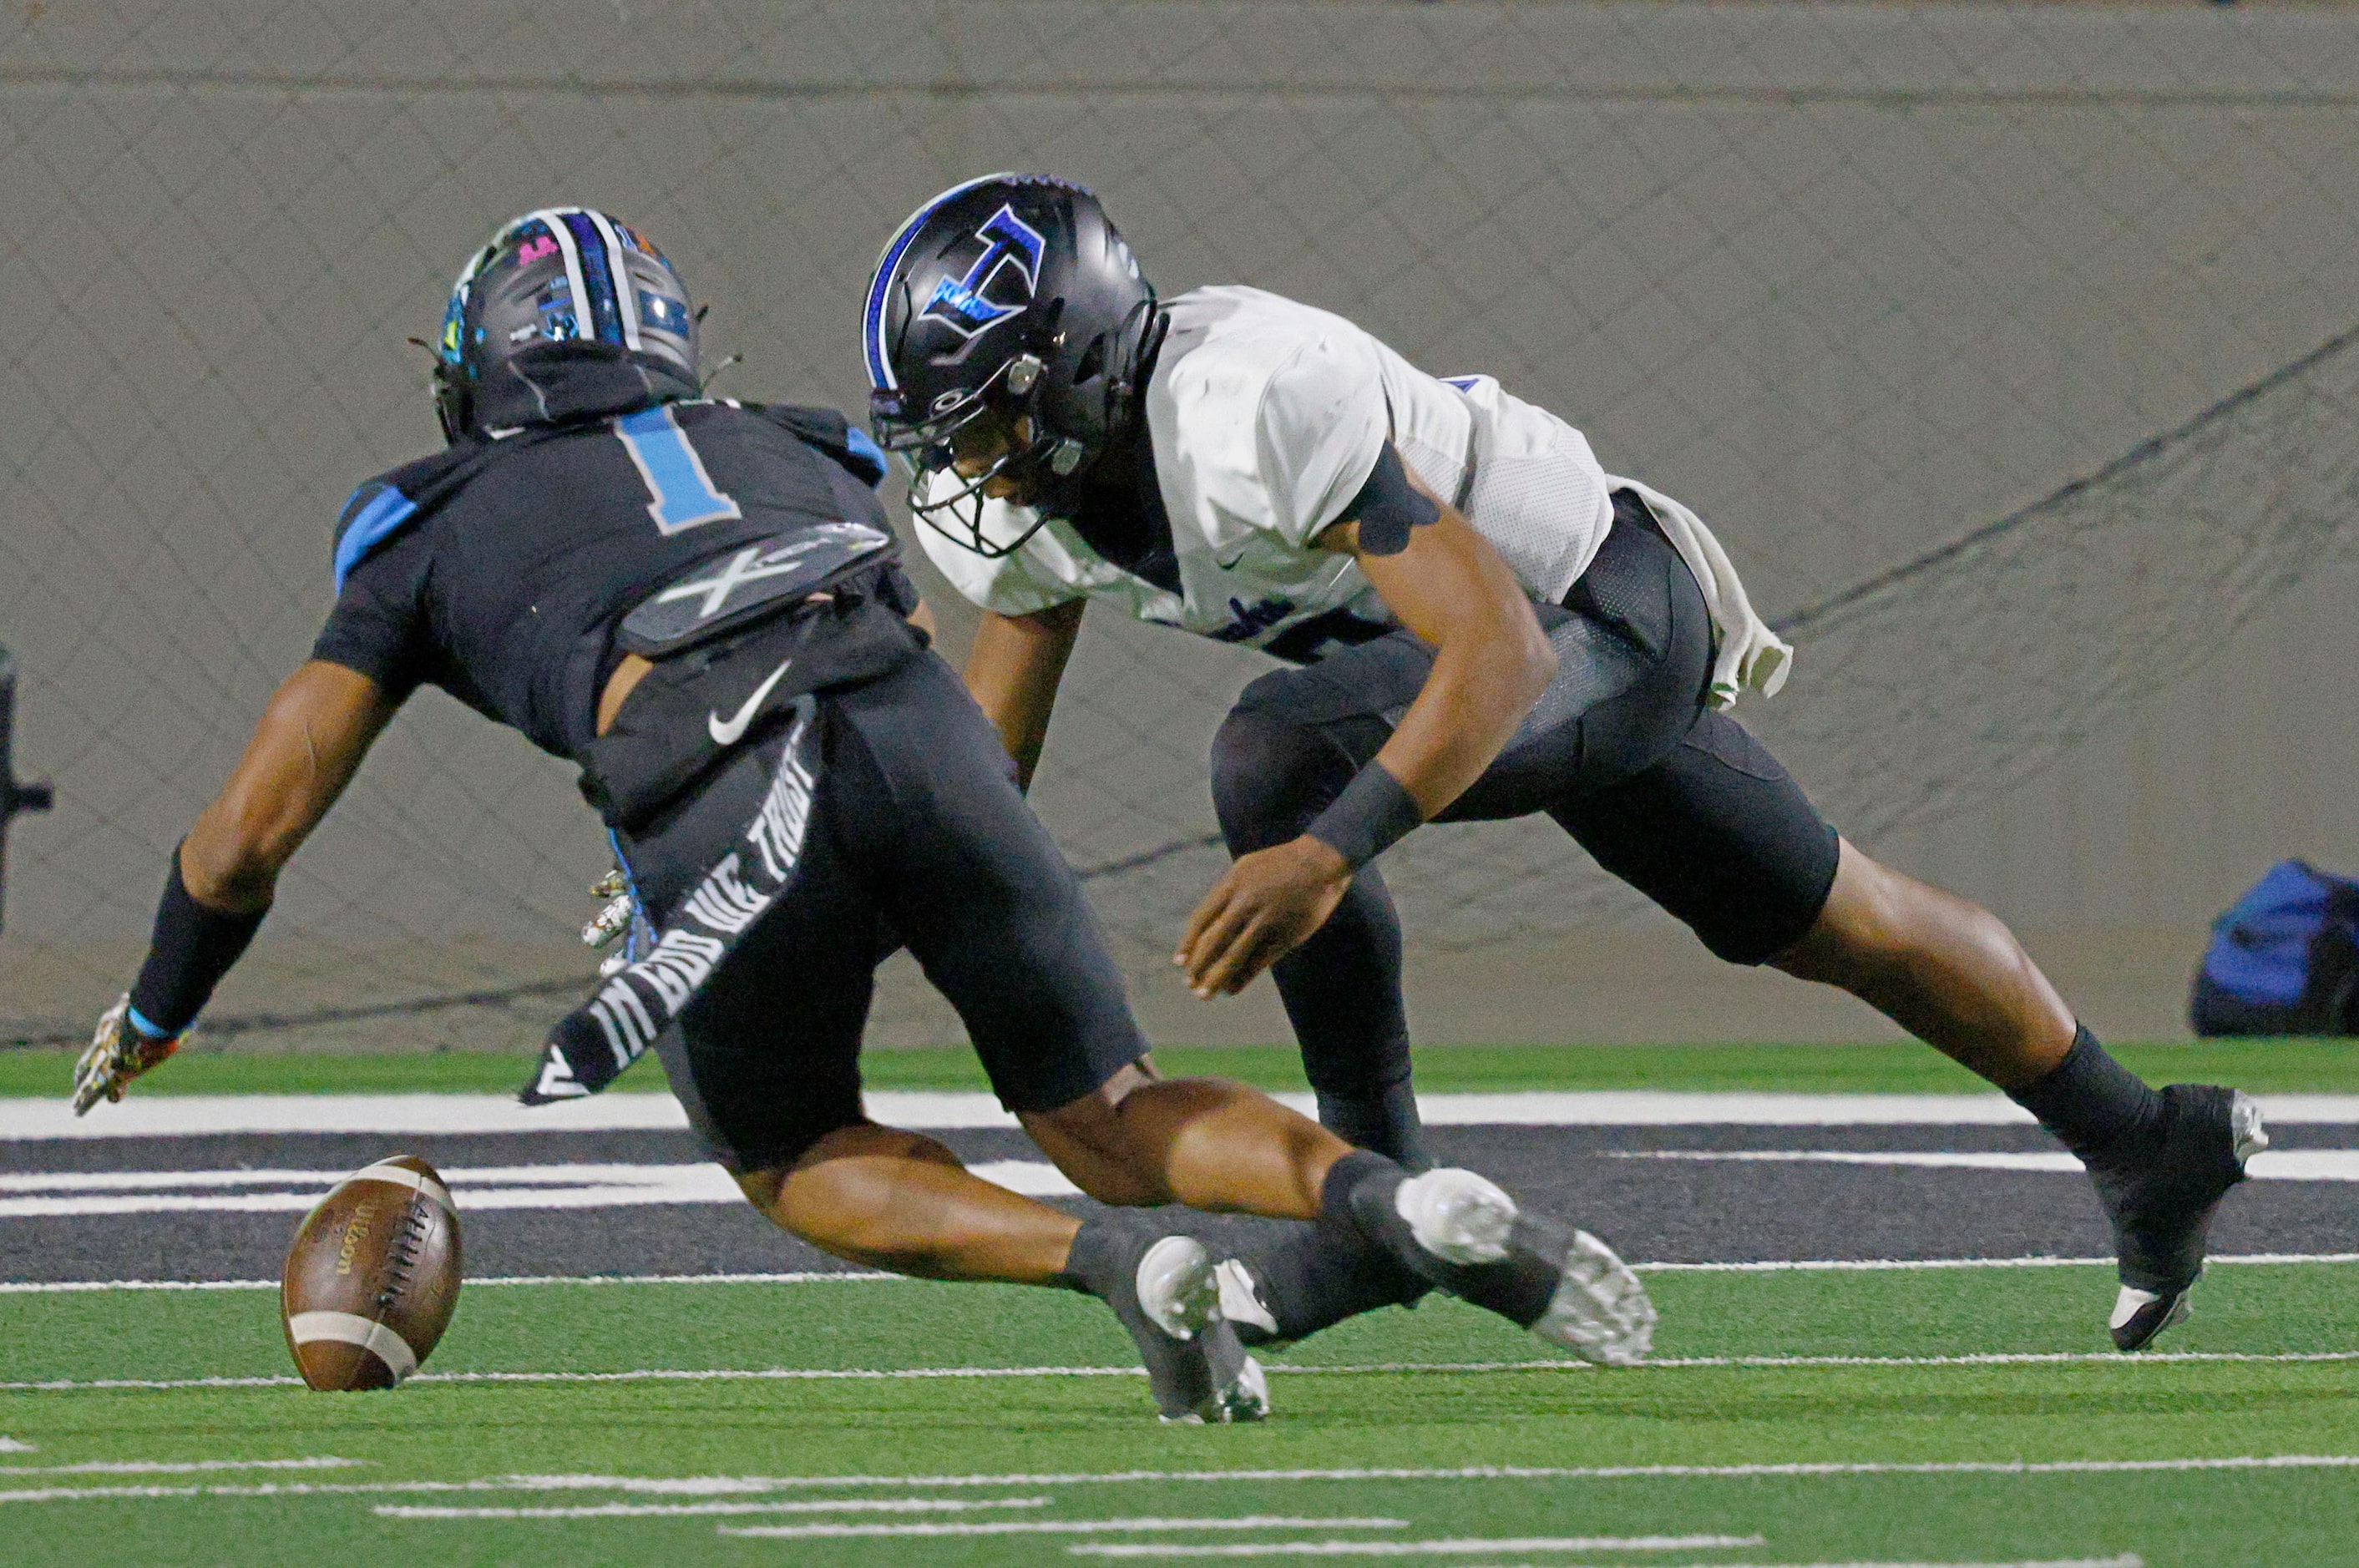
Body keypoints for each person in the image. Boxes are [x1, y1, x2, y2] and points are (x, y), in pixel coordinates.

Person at [71, 206, 1657, 1420]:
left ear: (474, 367)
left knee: (795, 1153)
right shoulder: (799, 449)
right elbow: (874, 660)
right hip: (921, 725)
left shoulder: (423, 521)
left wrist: (158, 1001)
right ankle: (1382, 1197)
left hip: (719, 774)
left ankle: (1117, 1265)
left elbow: (245, 837)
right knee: (1108, 1107)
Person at [863, 173, 2269, 1353]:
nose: (973, 467)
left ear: (1090, 364)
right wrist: (889, 889)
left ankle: (1379, 1200)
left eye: (991, 419)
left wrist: (1328, 853)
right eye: (950, 435)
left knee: (1277, 756)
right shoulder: (1032, 507)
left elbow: (1503, 655)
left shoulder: (1249, 400)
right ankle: (2148, 1139)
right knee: (1841, 918)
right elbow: (992, 740)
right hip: (1471, 665)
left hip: (1596, 615)